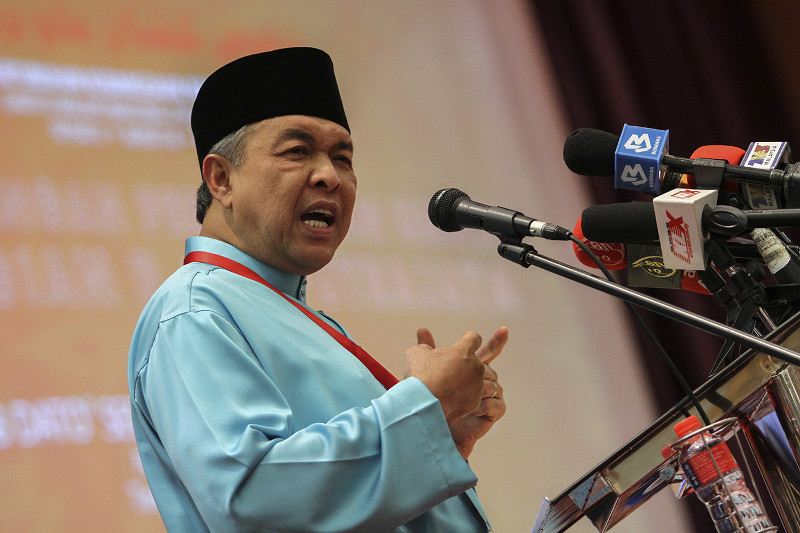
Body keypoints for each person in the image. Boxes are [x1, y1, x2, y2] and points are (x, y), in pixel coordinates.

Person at [128, 47, 508, 532]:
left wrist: (441, 435)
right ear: (221, 179)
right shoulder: (193, 311)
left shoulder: (282, 307)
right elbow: (251, 499)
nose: (330, 175)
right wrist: (424, 402)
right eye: (297, 151)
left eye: (342, 157)